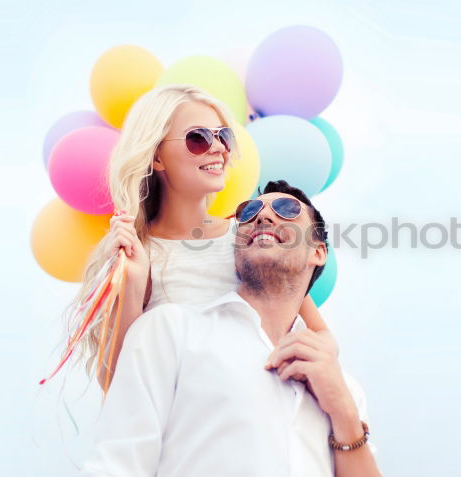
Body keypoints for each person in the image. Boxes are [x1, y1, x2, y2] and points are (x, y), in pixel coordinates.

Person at [80, 181, 380, 477]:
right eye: (248, 212)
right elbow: (117, 465)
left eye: (286, 209)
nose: (263, 217)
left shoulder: (346, 390)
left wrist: (344, 414)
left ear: (318, 252)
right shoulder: (169, 331)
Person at [71, 84, 336, 388]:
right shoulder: (137, 255)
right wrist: (133, 282)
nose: (220, 148)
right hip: (192, 427)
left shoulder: (248, 238)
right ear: (157, 157)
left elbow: (322, 337)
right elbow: (117, 386)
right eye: (198, 138)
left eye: (223, 136)